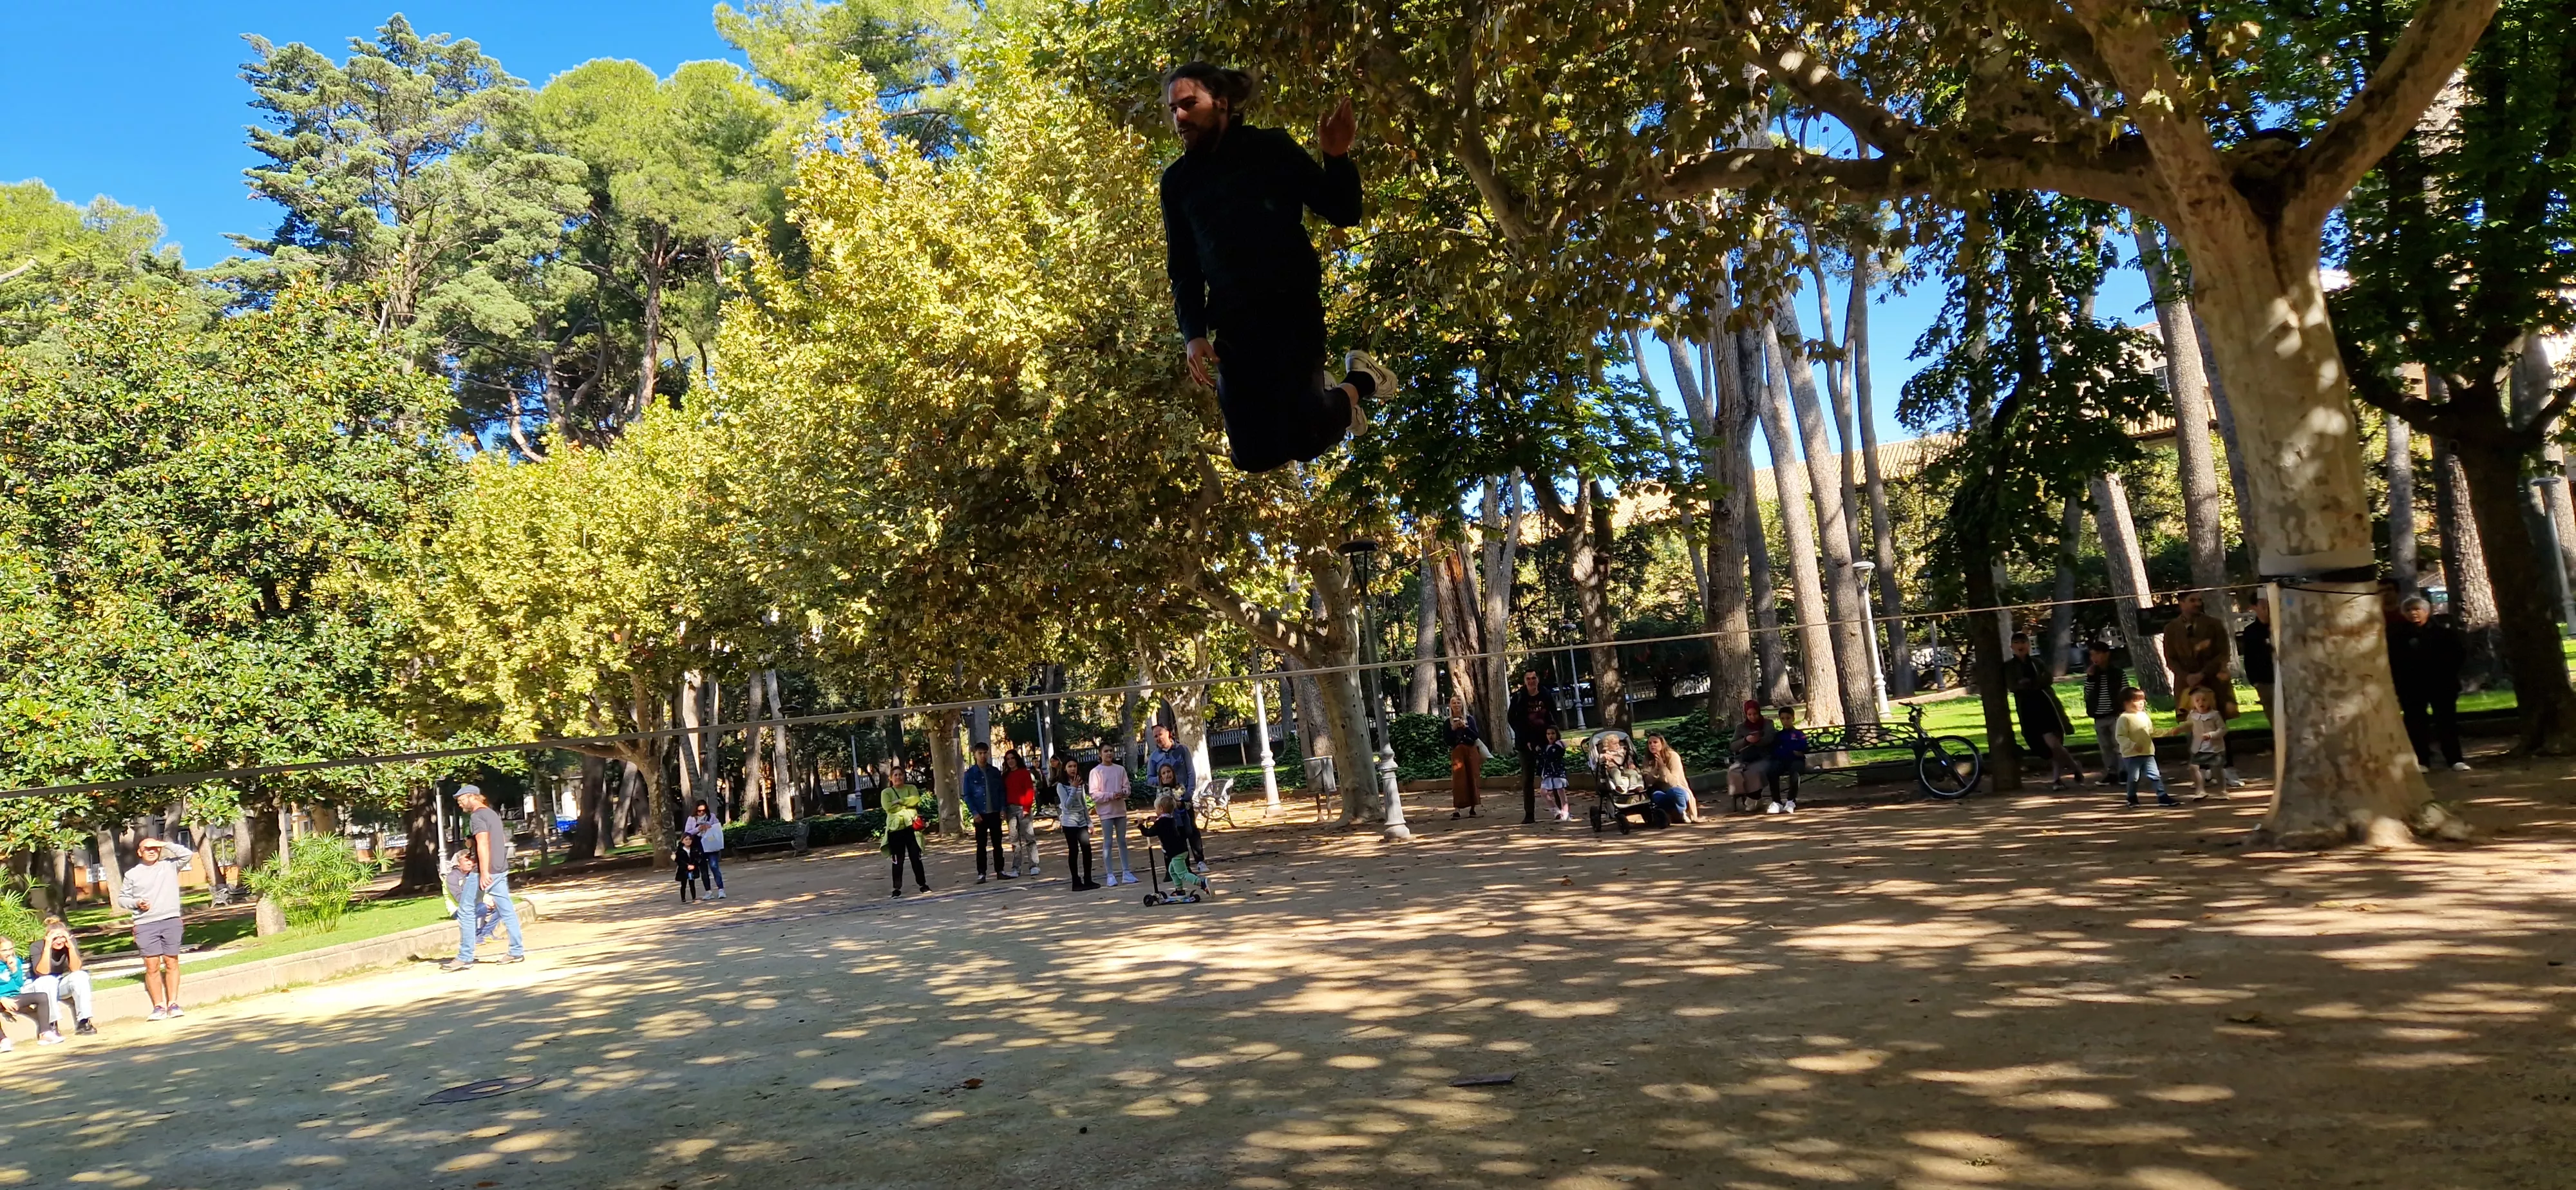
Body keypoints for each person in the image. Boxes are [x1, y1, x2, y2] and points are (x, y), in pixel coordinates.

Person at [1159, 61, 1396, 473]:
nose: (1179, 117)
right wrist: (1193, 333)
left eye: (1188, 104)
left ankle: (1360, 382)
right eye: (1173, 109)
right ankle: (1330, 400)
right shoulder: (1177, 183)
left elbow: (1342, 210)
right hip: (1234, 326)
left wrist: (1336, 157)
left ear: (1222, 103)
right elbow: (1183, 266)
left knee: (1305, 440)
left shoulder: (1271, 148)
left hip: (1291, 312)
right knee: (1253, 456)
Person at [2161, 590, 2245, 787]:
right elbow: (2170, 658)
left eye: (2199, 600)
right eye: (2192, 600)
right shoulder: (2171, 628)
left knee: (2218, 724)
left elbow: (2223, 653)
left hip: (2213, 681)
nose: (2197, 604)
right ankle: (2203, 770)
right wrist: (2187, 676)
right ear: (2181, 603)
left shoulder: (2214, 624)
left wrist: (2203, 673)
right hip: (2186, 685)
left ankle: (2227, 768)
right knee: (2193, 727)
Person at [444, 786, 527, 971]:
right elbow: (490, 841)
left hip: (483, 870)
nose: (460, 803)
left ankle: (465, 956)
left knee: (465, 911)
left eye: (461, 799)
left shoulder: (477, 816)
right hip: (500, 866)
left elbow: (482, 844)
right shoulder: (491, 814)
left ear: (472, 797)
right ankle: (516, 950)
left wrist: (484, 872)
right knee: (506, 909)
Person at [115, 835, 196, 1015]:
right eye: (147, 849)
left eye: (155, 848)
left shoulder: (169, 866)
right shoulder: (132, 874)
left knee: (171, 962)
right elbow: (122, 899)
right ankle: (159, 1006)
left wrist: (164, 844)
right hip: (145, 924)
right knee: (152, 965)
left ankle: (173, 1003)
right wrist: (136, 903)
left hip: (170, 920)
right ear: (139, 852)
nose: (152, 851)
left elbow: (187, 854)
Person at [2389, 595, 2470, 771]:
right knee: (2416, 723)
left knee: (2446, 722)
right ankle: (2422, 760)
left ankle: (2455, 759)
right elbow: (2394, 662)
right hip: (2411, 687)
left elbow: (2458, 655)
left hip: (2442, 685)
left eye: (2417, 609)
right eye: (2409, 610)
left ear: (2427, 612)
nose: (2414, 614)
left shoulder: (2444, 634)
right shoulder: (2397, 636)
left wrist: (2445, 672)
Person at [2004, 632, 2086, 790]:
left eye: (2023, 642)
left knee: (2054, 742)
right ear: (2012, 647)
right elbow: (2013, 686)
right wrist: (2028, 684)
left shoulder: (2037, 662)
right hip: (2028, 709)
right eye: (2017, 643)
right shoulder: (2010, 667)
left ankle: (2057, 779)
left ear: (2028, 645)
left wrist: (2030, 683)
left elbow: (2047, 679)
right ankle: (2074, 766)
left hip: (2046, 705)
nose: (2021, 646)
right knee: (2044, 745)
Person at [1146, 724, 1204, 871]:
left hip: (1183, 796)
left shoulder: (1182, 750)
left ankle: (1200, 861)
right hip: (1166, 802)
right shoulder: (1154, 757)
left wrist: (1189, 794)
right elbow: (1149, 778)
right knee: (1174, 833)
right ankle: (1182, 865)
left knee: (1191, 829)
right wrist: (1163, 781)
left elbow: (1191, 772)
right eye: (1155, 736)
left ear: (1168, 733)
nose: (1158, 738)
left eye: (1160, 734)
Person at [27, 916, 94, 1037]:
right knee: (47, 980)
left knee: (81, 976)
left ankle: (84, 1022)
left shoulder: (69, 945)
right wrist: (47, 947)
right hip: (39, 989)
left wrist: (71, 947)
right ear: (47, 938)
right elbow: (42, 972)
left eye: (62, 937)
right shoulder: (37, 947)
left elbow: (75, 969)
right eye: (55, 938)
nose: (59, 941)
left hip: (58, 985)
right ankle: (52, 1025)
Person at [2114, 686, 2179, 808]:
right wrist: (2132, 746)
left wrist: (2168, 732)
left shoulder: (2144, 716)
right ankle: (2131, 797)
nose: (2142, 703)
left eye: (2143, 700)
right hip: (2131, 755)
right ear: (2126, 703)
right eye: (2137, 700)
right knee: (2134, 777)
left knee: (2155, 775)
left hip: (2148, 752)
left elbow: (2151, 731)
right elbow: (2120, 737)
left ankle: (2162, 796)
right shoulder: (2124, 718)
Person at [1507, 671, 1558, 823]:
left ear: (1538, 679)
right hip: (1525, 745)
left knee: (1553, 776)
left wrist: (1552, 737)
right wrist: (1525, 739)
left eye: (1534, 678)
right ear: (1524, 681)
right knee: (1527, 780)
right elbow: (1512, 720)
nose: (1531, 681)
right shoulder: (1518, 697)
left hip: (1546, 741)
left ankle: (1561, 810)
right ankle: (1529, 814)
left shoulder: (1546, 695)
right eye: (1528, 679)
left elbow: (1553, 715)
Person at [1141, 793, 1211, 897]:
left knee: (1182, 873)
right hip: (1181, 850)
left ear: (1160, 809)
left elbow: (1149, 833)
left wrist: (1140, 826)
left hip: (1176, 852)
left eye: (1156, 809)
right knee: (1172, 871)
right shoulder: (1170, 819)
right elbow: (1162, 822)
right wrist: (1155, 819)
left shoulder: (1161, 823)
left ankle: (1201, 883)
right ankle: (1179, 890)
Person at [880, 764, 933, 896]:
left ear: (904, 776)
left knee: (916, 858)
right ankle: (896, 888)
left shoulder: (912, 788)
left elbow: (915, 800)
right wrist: (906, 806)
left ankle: (923, 884)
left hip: (912, 829)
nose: (898, 777)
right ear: (891, 778)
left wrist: (899, 801)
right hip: (895, 830)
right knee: (898, 860)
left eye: (900, 774)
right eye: (895, 775)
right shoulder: (886, 793)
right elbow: (888, 808)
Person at [1089, 744, 1137, 885]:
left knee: (1122, 841)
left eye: (1111, 751)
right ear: (1100, 754)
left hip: (1120, 810)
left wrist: (1122, 793)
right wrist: (1110, 795)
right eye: (1106, 751)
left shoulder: (1120, 769)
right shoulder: (1096, 772)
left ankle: (1126, 872)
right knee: (1108, 842)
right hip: (1106, 813)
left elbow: (1127, 787)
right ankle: (1110, 874)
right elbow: (1094, 794)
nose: (1109, 753)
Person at [2081, 642, 2129, 786]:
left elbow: (2125, 691)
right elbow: (2088, 694)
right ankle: (2111, 772)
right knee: (2105, 746)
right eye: (2092, 655)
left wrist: (2124, 708)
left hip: (2115, 714)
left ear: (2107, 654)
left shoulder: (2118, 673)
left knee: (2119, 744)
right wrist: (2090, 678)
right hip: (2099, 715)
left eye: (2098, 654)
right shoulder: (2092, 674)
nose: (2094, 658)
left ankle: (2124, 772)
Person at [0, 938, 59, 1050]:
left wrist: (14, 970)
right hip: (2, 998)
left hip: (14, 997)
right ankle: (3, 1040)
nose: (9, 953)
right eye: (4, 950)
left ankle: (45, 1033)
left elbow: (19, 985)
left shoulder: (15, 961)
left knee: (42, 997)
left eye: (11, 949)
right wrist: (2, 998)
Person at [963, 743, 1008, 883]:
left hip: (994, 812)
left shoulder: (995, 772)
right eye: (980, 753)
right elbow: (968, 795)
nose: (983, 756)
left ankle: (1000, 870)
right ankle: (981, 873)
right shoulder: (970, 774)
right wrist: (974, 813)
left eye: (985, 753)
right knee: (981, 845)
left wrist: (1003, 808)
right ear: (975, 754)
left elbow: (1001, 791)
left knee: (998, 843)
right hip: (980, 815)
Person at [1054, 757, 1098, 891]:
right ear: (1065, 769)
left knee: (1087, 850)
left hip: (1082, 822)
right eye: (1070, 766)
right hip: (1069, 823)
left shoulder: (1080, 783)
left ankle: (1088, 879)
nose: (1073, 769)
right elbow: (1066, 806)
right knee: (1074, 851)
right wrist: (1073, 789)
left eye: (1075, 766)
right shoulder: (1061, 786)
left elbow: (1084, 804)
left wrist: (1089, 822)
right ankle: (1076, 881)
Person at [2181, 685, 2229, 798]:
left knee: (2216, 769)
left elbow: (2223, 729)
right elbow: (2189, 726)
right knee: (2194, 768)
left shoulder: (2215, 715)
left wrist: (2211, 735)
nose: (2201, 703)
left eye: (2204, 700)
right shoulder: (2192, 715)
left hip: (2214, 748)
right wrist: (2179, 729)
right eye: (2197, 701)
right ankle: (2200, 790)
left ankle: (2222, 791)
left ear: (2210, 701)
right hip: (2198, 747)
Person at [1728, 700, 1776, 811]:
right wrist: (1746, 740)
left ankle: (1753, 798)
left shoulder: (1767, 723)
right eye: (1750, 715)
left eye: (1755, 714)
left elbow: (1770, 739)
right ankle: (1750, 797)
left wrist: (1757, 740)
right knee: (1734, 771)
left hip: (1764, 756)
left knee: (1754, 772)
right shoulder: (1741, 727)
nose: (1753, 717)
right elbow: (1733, 745)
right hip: (1745, 758)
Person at [1443, 697, 1486, 819]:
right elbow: (1447, 740)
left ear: (1462, 705)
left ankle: (1473, 808)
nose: (1456, 705)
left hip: (1470, 750)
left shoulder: (1470, 719)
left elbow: (1476, 736)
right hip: (1457, 751)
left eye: (1458, 703)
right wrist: (1454, 729)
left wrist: (1466, 728)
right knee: (1459, 780)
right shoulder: (1448, 722)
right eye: (1454, 703)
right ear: (1450, 706)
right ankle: (1457, 809)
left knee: (1472, 777)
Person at [1641, 734, 1697, 824]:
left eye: (1655, 742)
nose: (1652, 745)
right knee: (1656, 796)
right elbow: (1648, 782)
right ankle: (1670, 816)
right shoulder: (1647, 759)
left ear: (1662, 744)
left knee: (1675, 792)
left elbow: (1673, 783)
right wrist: (1655, 770)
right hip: (1661, 792)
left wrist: (1663, 767)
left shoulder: (1673, 756)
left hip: (1679, 790)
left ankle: (1682, 813)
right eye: (1650, 743)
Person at [1003, 750, 1040, 880]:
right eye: (1008, 759)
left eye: (1012, 758)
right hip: (1010, 809)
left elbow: (1029, 790)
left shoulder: (1024, 773)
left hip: (1023, 808)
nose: (1010, 761)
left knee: (1029, 837)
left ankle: (1034, 864)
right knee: (1014, 839)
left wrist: (1027, 808)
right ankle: (1016, 867)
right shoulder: (1006, 776)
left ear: (1017, 759)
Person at [1768, 706, 1810, 815]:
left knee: (1795, 772)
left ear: (1793, 718)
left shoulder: (1799, 734)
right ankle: (1776, 802)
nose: (1785, 721)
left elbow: (1802, 747)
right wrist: (1791, 750)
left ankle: (1791, 801)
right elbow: (1775, 750)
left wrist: (1787, 750)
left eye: (1788, 718)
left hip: (1797, 761)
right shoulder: (1778, 735)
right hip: (1781, 761)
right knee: (1772, 770)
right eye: (1783, 719)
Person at [2239, 596, 2275, 715]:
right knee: (2272, 711)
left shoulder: (2280, 628)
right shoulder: (2251, 631)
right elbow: (2250, 658)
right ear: (2254, 608)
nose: (2267, 611)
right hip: (2264, 680)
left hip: (2285, 678)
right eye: (2263, 607)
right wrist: (2255, 681)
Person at [683, 799, 726, 900]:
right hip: (699, 846)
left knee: (714, 866)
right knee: (703, 870)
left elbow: (718, 828)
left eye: (703, 810)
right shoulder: (692, 819)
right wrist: (698, 829)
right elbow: (687, 832)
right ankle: (708, 891)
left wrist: (710, 827)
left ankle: (721, 889)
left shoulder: (712, 817)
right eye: (699, 811)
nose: (702, 813)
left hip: (711, 844)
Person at [1533, 725, 1571, 822]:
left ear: (1557, 734)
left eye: (1553, 733)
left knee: (1561, 792)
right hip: (1547, 773)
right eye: (1548, 734)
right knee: (1543, 792)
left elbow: (1557, 753)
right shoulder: (1544, 747)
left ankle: (1565, 813)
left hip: (1557, 772)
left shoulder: (1559, 745)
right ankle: (1556, 812)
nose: (1551, 736)